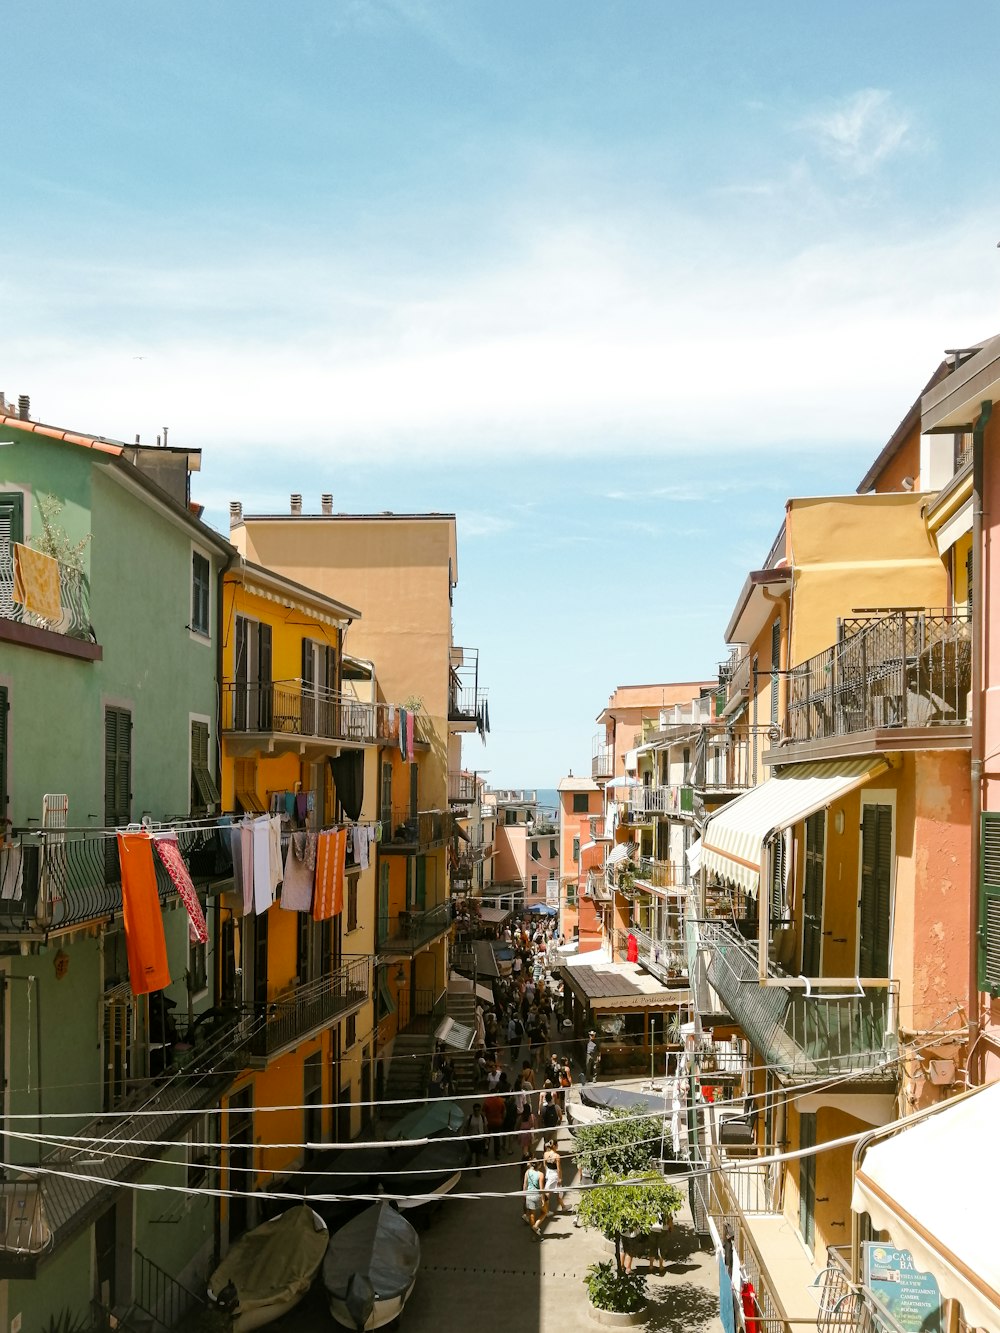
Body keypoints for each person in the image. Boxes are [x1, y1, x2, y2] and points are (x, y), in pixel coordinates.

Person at [523, 1158, 545, 1237]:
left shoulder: (527, 1172)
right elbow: (541, 1189)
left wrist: (524, 1194)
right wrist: (542, 1199)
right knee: (544, 1212)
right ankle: (536, 1226)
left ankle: (533, 1232)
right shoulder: (540, 1174)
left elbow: (525, 1185)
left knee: (532, 1214)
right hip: (536, 1196)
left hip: (529, 1194)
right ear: (539, 1165)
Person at [466, 1101, 488, 1176]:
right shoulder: (469, 1118)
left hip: (480, 1140)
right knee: (470, 1156)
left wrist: (486, 1137)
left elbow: (485, 1127)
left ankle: (478, 1170)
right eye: (475, 1110)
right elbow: (466, 1128)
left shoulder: (482, 1118)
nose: (477, 1112)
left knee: (479, 1156)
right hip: (471, 1140)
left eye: (478, 1110)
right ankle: (468, 1166)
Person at [542, 1139, 563, 1216]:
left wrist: (547, 1171)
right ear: (554, 1146)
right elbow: (559, 1168)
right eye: (557, 1145)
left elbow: (544, 1164)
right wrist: (560, 1177)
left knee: (558, 1190)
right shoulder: (557, 1156)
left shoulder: (545, 1154)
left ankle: (563, 1206)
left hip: (548, 1172)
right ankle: (546, 1211)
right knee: (549, 1192)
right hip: (554, 1174)